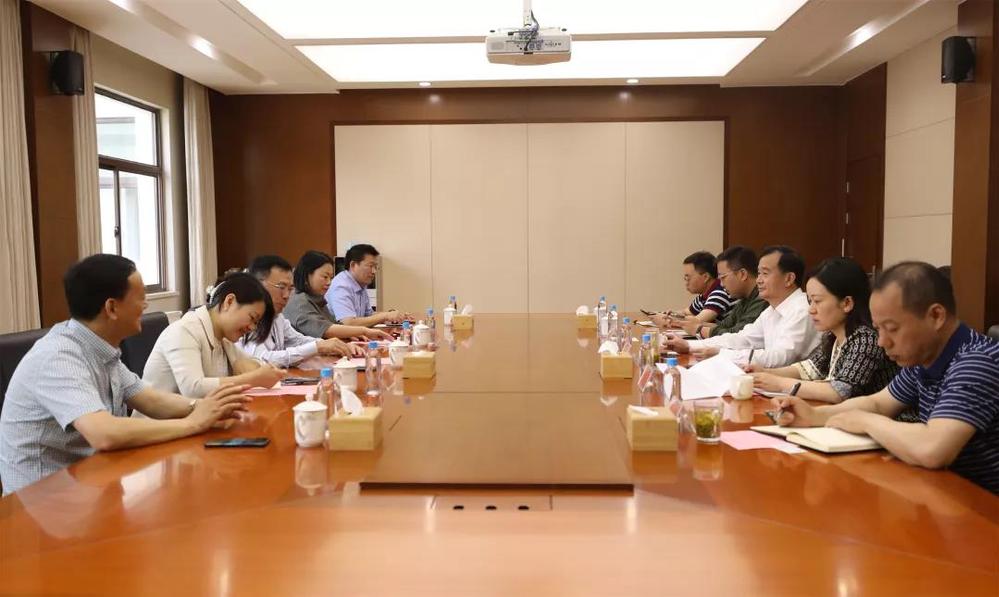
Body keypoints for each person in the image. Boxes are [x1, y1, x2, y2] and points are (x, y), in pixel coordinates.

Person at [0, 255, 251, 495]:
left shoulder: (100, 349)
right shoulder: (59, 357)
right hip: (43, 503)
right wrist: (193, 423)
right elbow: (104, 433)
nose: (146, 305)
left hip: (90, 483)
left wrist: (203, 408)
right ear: (111, 307)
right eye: (140, 298)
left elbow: (151, 400)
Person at [772, 262, 998, 494]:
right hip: (942, 488)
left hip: (982, 502)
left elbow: (933, 448)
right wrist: (814, 415)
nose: (882, 341)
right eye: (878, 328)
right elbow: (878, 403)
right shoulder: (924, 357)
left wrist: (864, 422)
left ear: (936, 316)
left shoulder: (977, 361)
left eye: (892, 328)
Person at [748, 257, 898, 403]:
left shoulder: (866, 338)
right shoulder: (833, 336)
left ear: (847, 303)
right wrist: (764, 373)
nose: (811, 310)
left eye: (817, 301)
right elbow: (809, 368)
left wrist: (779, 383)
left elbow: (839, 391)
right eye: (810, 301)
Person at [669, 245, 819, 367]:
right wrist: (689, 345)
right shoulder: (771, 311)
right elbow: (743, 338)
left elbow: (782, 357)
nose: (759, 280)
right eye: (759, 273)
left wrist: (722, 353)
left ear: (789, 279)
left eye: (765, 273)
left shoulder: (802, 310)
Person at [142, 272, 286, 397]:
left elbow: (255, 365)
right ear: (229, 302)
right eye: (252, 318)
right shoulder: (184, 331)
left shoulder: (224, 339)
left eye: (256, 323)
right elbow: (193, 389)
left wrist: (253, 367)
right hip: (160, 420)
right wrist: (252, 379)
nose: (252, 328)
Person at [237, 255, 364, 367]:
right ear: (258, 285)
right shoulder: (248, 319)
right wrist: (318, 347)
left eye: (290, 288)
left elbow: (298, 340)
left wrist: (333, 345)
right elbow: (262, 360)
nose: (286, 295)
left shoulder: (277, 317)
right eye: (281, 287)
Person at [284, 250, 393, 341]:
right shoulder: (299, 302)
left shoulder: (316, 298)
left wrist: (351, 334)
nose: (329, 282)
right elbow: (326, 329)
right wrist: (363, 331)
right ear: (307, 275)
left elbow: (334, 324)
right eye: (325, 277)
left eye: (331, 277)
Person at [676, 246, 767, 338]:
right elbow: (724, 326)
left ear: (742, 274)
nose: (722, 285)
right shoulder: (744, 299)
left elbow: (737, 334)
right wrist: (695, 324)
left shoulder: (762, 298)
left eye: (723, 277)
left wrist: (699, 329)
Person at [326, 244, 409, 326]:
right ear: (353, 265)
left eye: (375, 267)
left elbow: (368, 315)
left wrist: (394, 317)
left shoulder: (360, 284)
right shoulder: (341, 286)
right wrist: (385, 316)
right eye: (370, 266)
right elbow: (348, 323)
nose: (374, 271)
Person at [652, 251, 733, 329]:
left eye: (688, 278)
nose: (686, 282)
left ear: (705, 277)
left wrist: (668, 320)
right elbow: (687, 312)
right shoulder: (703, 296)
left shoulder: (719, 293)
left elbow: (696, 322)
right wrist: (671, 314)